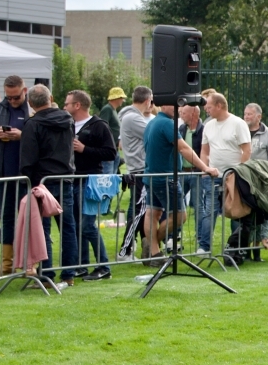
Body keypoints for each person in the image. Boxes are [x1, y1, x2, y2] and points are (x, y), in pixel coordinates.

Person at [142, 103, 219, 265]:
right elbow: (184, 148)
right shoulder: (167, 123)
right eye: (172, 104)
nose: (177, 107)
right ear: (163, 105)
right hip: (166, 178)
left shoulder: (152, 122)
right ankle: (152, 246)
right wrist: (205, 168)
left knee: (153, 213)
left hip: (151, 175)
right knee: (179, 217)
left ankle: (153, 252)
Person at [20, 84, 78, 285]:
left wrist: (27, 180)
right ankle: (69, 274)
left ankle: (47, 275)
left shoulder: (32, 124)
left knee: (42, 230)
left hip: (42, 181)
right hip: (65, 178)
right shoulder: (68, 120)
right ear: (51, 98)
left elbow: (27, 158)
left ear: (30, 103)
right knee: (68, 228)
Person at [0, 76, 31, 276]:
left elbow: (42, 137)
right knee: (7, 217)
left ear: (24, 91)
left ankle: (29, 263)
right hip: (3, 173)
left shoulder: (32, 109)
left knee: (29, 219)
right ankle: (7, 263)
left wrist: (22, 136)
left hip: (27, 174)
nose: (12, 101)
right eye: (8, 97)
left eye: (16, 97)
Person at [65, 90, 117, 281]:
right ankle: (82, 265)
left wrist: (84, 149)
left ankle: (104, 266)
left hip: (90, 181)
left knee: (87, 225)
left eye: (67, 104)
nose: (64, 107)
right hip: (73, 179)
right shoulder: (68, 124)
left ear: (77, 105)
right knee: (77, 225)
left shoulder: (99, 126)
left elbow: (111, 153)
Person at [200, 92, 251, 245]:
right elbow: (204, 151)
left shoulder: (238, 123)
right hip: (213, 176)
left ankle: (235, 245)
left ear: (219, 106)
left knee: (235, 210)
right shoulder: (208, 126)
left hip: (233, 177)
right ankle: (204, 246)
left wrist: (238, 172)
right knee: (209, 211)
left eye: (209, 107)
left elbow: (247, 150)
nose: (206, 110)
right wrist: (205, 169)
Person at [118, 87, 154, 255]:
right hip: (140, 170)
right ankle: (125, 250)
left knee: (142, 210)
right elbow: (154, 134)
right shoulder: (133, 118)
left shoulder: (132, 116)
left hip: (139, 169)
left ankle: (143, 246)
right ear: (147, 101)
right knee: (139, 211)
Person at [177, 102, 213, 256]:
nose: (181, 115)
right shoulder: (181, 129)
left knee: (199, 206)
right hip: (182, 172)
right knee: (177, 203)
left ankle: (200, 237)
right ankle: (174, 236)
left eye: (184, 113)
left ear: (193, 114)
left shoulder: (204, 130)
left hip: (197, 173)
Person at [244, 102, 268, 248]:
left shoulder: (267, 135)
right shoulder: (241, 131)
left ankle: (256, 248)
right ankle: (243, 246)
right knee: (245, 214)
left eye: (249, 114)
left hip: (261, 181)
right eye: (245, 114)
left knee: (261, 214)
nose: (246, 117)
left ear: (258, 117)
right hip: (244, 178)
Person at [98, 87, 125, 172]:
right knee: (108, 177)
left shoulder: (113, 110)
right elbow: (102, 128)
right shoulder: (107, 109)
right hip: (109, 150)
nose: (123, 100)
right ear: (116, 98)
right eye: (121, 98)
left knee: (113, 176)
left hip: (114, 150)